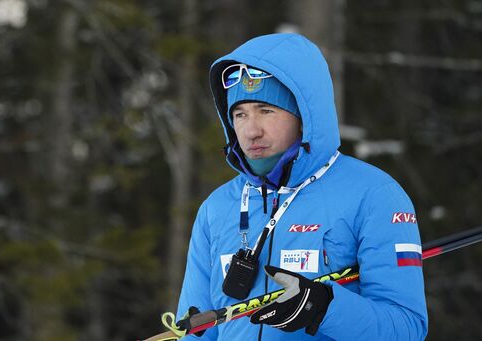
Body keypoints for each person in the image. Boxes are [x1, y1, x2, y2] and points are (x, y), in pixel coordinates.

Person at [176, 33, 428, 340]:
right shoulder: (217, 208)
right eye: (240, 115)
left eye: (266, 110)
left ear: (304, 115)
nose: (251, 130)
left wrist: (323, 309)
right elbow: (194, 330)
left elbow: (407, 327)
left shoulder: (374, 195)